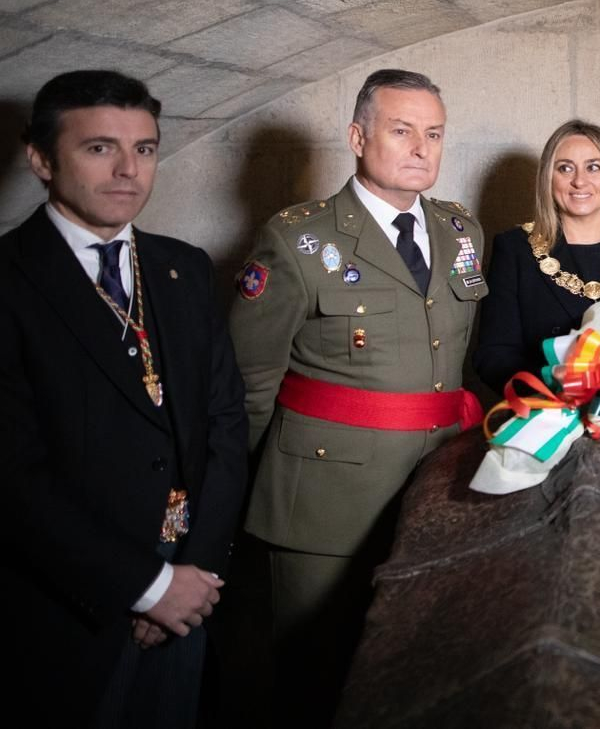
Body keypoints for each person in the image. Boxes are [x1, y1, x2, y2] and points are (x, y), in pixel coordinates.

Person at [230, 68, 488, 724]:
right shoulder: (296, 240)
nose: (421, 148)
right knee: (318, 679)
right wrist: (238, 495)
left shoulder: (461, 232)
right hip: (324, 506)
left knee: (414, 678)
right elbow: (249, 385)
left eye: (433, 134)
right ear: (357, 136)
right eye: (401, 131)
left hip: (433, 495)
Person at [0, 70, 248, 727]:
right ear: (40, 159)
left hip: (192, 585)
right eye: (99, 147)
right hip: (72, 603)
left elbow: (224, 422)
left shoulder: (183, 267)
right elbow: (12, 477)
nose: (127, 170)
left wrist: (194, 572)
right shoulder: (10, 280)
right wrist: (147, 586)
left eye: (144, 148)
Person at [476, 120, 600, 392]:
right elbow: (494, 355)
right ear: (549, 179)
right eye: (565, 168)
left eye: (593, 167)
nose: (579, 181)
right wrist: (555, 385)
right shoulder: (515, 249)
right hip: (546, 414)